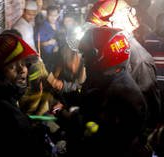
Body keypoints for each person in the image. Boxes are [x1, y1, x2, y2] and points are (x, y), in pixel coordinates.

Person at [68, 27, 148, 157]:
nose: (83, 59)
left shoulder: (123, 93)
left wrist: (74, 118)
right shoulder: (106, 78)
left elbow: (105, 138)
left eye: (86, 54)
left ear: (101, 57)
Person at [86, 0, 162, 131]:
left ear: (114, 22)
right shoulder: (109, 53)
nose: (97, 34)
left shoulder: (139, 59)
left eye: (101, 29)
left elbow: (150, 110)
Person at [35, 5, 60, 72]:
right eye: (51, 15)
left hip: (57, 54)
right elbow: (37, 42)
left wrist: (57, 46)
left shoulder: (57, 24)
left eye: (55, 15)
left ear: (58, 15)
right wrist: (48, 43)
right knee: (49, 73)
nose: (53, 18)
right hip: (47, 57)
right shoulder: (42, 27)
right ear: (47, 15)